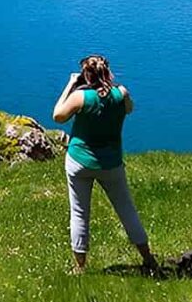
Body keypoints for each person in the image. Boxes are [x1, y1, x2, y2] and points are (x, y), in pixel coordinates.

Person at [52, 54, 157, 273]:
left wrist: (71, 85)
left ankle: (80, 267)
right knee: (126, 209)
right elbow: (129, 108)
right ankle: (148, 259)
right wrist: (112, 88)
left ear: (85, 75)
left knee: (79, 212)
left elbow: (57, 116)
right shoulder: (121, 93)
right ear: (107, 72)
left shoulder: (80, 97)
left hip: (79, 162)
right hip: (111, 164)